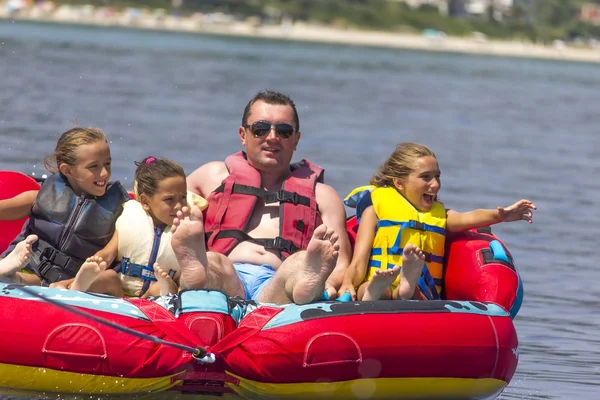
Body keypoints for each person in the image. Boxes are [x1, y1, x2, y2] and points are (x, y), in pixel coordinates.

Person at [180, 90, 352, 304]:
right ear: (243, 135)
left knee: (298, 264)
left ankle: (308, 284)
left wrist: (331, 282)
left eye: (284, 131)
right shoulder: (211, 176)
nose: (272, 137)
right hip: (228, 275)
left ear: (296, 139)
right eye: (261, 129)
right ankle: (195, 272)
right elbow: (159, 200)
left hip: (279, 281)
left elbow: (342, 261)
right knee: (213, 264)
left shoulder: (323, 196)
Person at [339, 142, 536, 302]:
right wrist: (348, 283)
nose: (435, 184)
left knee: (407, 293)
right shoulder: (375, 212)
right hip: (381, 277)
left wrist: (501, 215)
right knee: (370, 288)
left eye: (437, 177)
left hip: (422, 293)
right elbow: (359, 261)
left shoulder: (440, 216)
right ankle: (384, 290)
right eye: (426, 177)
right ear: (399, 183)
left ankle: (406, 287)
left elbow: (470, 217)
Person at [0, 127, 129, 296]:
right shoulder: (39, 197)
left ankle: (65, 287)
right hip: (28, 267)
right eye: (94, 167)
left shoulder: (122, 212)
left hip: (71, 281)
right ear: (67, 170)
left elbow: (107, 255)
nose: (104, 173)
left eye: (107, 164)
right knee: (23, 274)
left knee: (110, 278)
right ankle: (9, 272)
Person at [71, 156, 208, 297]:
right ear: (145, 201)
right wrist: (96, 264)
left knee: (159, 288)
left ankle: (170, 291)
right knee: (109, 277)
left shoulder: (187, 229)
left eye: (183, 197)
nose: (179, 205)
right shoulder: (131, 217)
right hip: (120, 294)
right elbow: (108, 253)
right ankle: (81, 285)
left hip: (153, 296)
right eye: (169, 199)